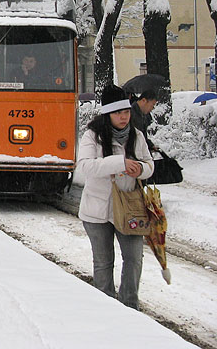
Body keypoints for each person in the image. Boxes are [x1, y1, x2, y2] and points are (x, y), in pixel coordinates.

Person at [77, 84, 154, 309]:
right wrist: (119, 163)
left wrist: (140, 169)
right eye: (119, 113)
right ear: (108, 114)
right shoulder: (93, 135)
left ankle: (130, 306)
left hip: (129, 209)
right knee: (103, 263)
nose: (124, 117)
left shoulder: (136, 135)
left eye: (127, 112)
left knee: (133, 259)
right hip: (97, 211)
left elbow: (149, 165)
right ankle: (106, 308)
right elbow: (85, 166)